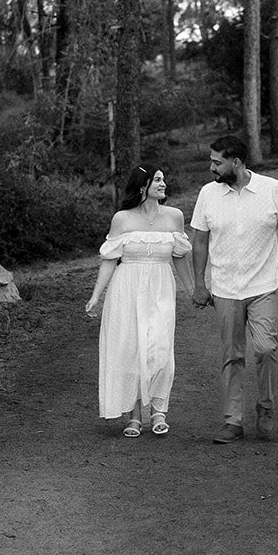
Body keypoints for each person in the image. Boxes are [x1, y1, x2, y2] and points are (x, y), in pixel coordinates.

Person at [190, 134, 278, 444]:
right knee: (232, 355)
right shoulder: (207, 195)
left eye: (217, 162)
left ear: (236, 162)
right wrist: (200, 284)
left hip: (262, 286)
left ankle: (265, 408)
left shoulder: (271, 189)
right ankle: (233, 421)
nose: (211, 167)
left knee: (267, 349)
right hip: (225, 289)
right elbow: (199, 241)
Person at [85, 164, 192, 437]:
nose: (162, 183)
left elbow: (179, 257)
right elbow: (109, 259)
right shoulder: (122, 219)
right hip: (126, 288)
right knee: (131, 349)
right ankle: (134, 416)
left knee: (159, 348)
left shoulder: (174, 217)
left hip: (160, 288)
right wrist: (96, 295)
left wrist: (193, 290)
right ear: (142, 186)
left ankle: (158, 410)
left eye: (163, 179)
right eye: (157, 179)